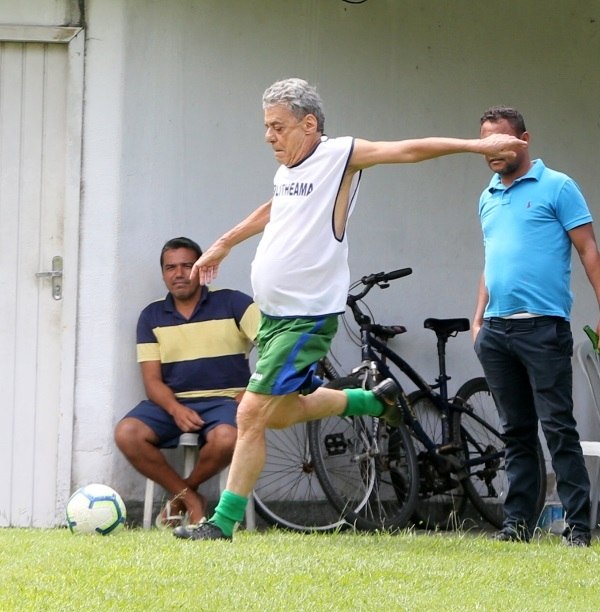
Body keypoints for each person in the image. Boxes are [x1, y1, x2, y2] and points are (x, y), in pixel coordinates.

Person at [173, 77, 527, 541]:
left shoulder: (339, 156)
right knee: (278, 413)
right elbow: (274, 207)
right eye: (267, 127)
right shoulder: (288, 170)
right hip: (276, 317)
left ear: (309, 123)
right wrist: (222, 245)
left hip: (306, 316)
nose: (268, 136)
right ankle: (368, 400)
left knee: (249, 415)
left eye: (277, 127)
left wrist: (472, 145)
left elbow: (408, 150)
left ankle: (222, 524)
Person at [472, 106, 600, 547]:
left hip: (543, 328)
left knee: (558, 429)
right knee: (514, 431)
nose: (492, 151)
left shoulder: (558, 187)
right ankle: (517, 525)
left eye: (500, 141)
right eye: (484, 142)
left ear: (524, 140)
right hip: (496, 332)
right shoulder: (487, 196)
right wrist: (478, 319)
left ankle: (579, 527)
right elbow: (492, 261)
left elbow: (589, 252)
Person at [114, 237, 260, 527]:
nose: (178, 274)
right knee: (127, 432)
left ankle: (181, 497)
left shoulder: (234, 302)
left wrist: (252, 391)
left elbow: (274, 346)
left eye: (187, 266)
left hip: (224, 401)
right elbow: (152, 381)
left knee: (228, 439)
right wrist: (175, 409)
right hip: (174, 402)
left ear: (202, 268)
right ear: (164, 273)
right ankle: (192, 498)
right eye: (170, 268)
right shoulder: (151, 316)